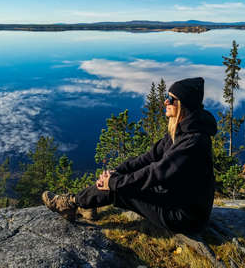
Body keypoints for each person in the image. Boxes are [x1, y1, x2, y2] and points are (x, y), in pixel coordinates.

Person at [42, 77, 217, 233]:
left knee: (121, 190)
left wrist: (113, 182)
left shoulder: (193, 142)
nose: (165, 101)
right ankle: (85, 204)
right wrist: (116, 172)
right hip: (174, 197)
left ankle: (70, 204)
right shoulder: (180, 131)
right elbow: (149, 158)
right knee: (120, 181)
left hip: (184, 216)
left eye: (171, 99)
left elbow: (156, 172)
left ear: (183, 104)